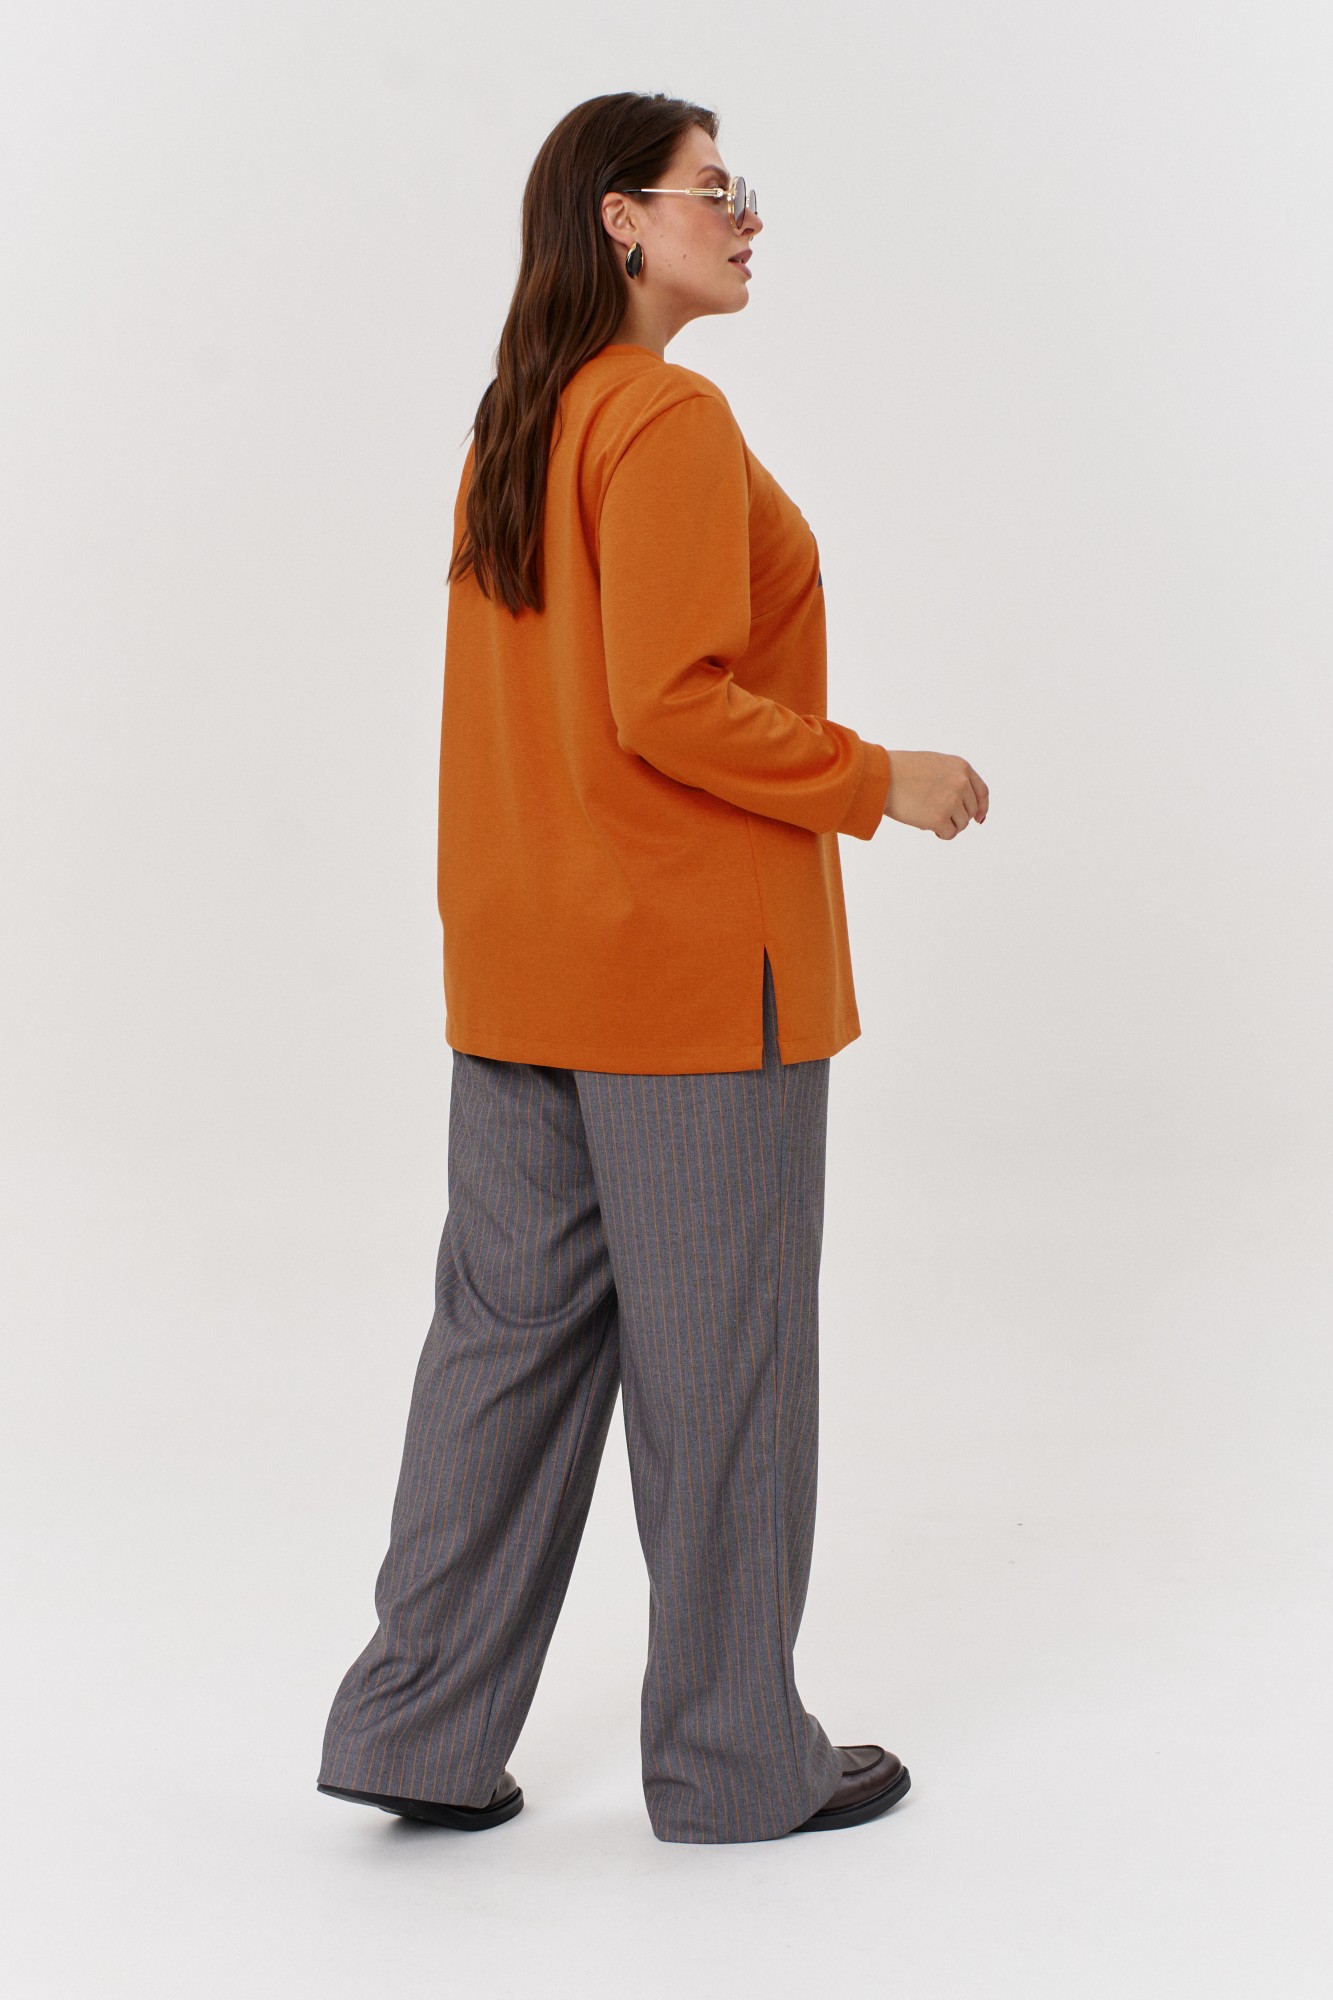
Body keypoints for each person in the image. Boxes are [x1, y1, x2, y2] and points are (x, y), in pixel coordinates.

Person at [316, 89, 988, 1847]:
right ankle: (731, 1760)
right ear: (620, 217)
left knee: (501, 1351)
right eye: (713, 188)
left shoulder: (520, 419)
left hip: (526, 968)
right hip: (689, 980)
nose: (744, 217)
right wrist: (878, 779)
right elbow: (668, 704)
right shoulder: (668, 417)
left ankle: (414, 1729)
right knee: (723, 1374)